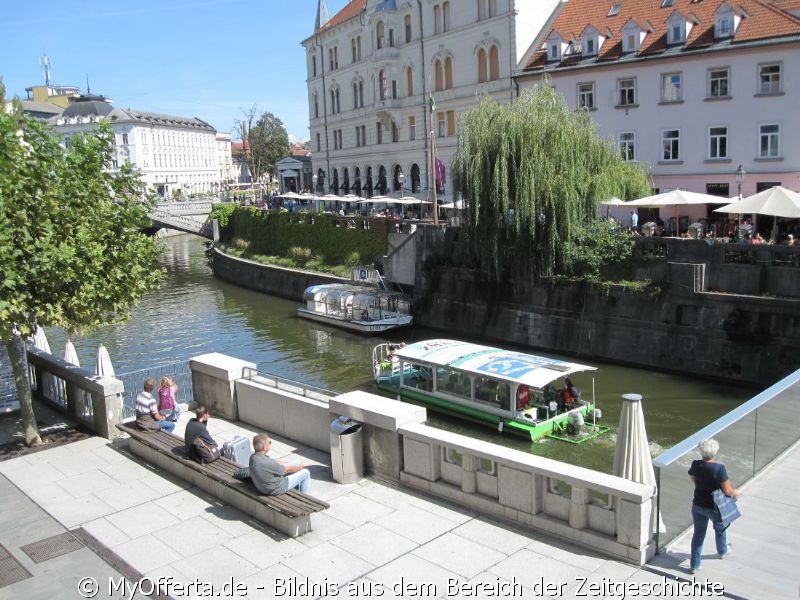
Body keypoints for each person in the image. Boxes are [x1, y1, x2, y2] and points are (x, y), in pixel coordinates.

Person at [688, 438, 739, 574]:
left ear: (701, 452)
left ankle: (694, 565)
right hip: (715, 507)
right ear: (715, 452)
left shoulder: (696, 464)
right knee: (720, 529)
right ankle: (722, 551)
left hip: (698, 504)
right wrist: (737, 491)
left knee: (698, 534)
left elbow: (693, 479)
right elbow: (728, 491)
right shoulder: (719, 468)